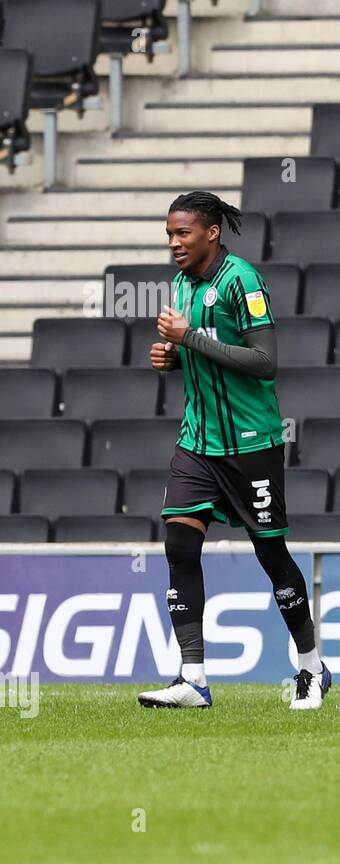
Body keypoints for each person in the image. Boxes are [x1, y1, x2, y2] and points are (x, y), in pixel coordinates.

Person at [139, 190, 328, 710]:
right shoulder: (180, 284)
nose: (174, 243)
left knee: (271, 555)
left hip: (249, 442)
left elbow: (265, 361)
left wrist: (189, 339)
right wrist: (172, 358)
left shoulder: (242, 281)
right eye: (170, 234)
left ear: (211, 232)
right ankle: (193, 680)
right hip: (197, 440)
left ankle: (311, 668)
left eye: (183, 233)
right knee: (179, 545)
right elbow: (198, 352)